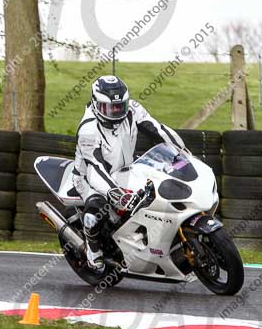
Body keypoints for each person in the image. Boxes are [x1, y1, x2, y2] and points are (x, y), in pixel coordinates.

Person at [73, 75, 186, 270]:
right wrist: (115, 193)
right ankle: (93, 251)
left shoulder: (132, 109)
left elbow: (156, 129)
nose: (116, 112)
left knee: (152, 193)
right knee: (97, 211)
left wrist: (181, 150)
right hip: (90, 176)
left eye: (120, 106)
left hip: (126, 168)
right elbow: (96, 168)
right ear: (96, 103)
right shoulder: (88, 129)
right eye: (110, 108)